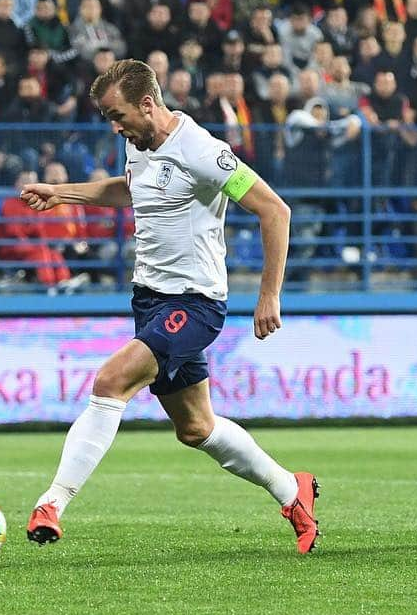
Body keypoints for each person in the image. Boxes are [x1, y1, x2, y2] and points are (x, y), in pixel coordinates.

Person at [20, 59, 318, 553]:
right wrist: (63, 193)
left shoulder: (202, 150)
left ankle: (53, 502)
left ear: (147, 103)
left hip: (195, 304)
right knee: (196, 428)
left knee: (111, 381)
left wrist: (269, 294)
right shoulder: (139, 145)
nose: (114, 127)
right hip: (150, 299)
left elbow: (274, 209)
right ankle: (293, 491)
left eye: (117, 116)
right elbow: (131, 190)